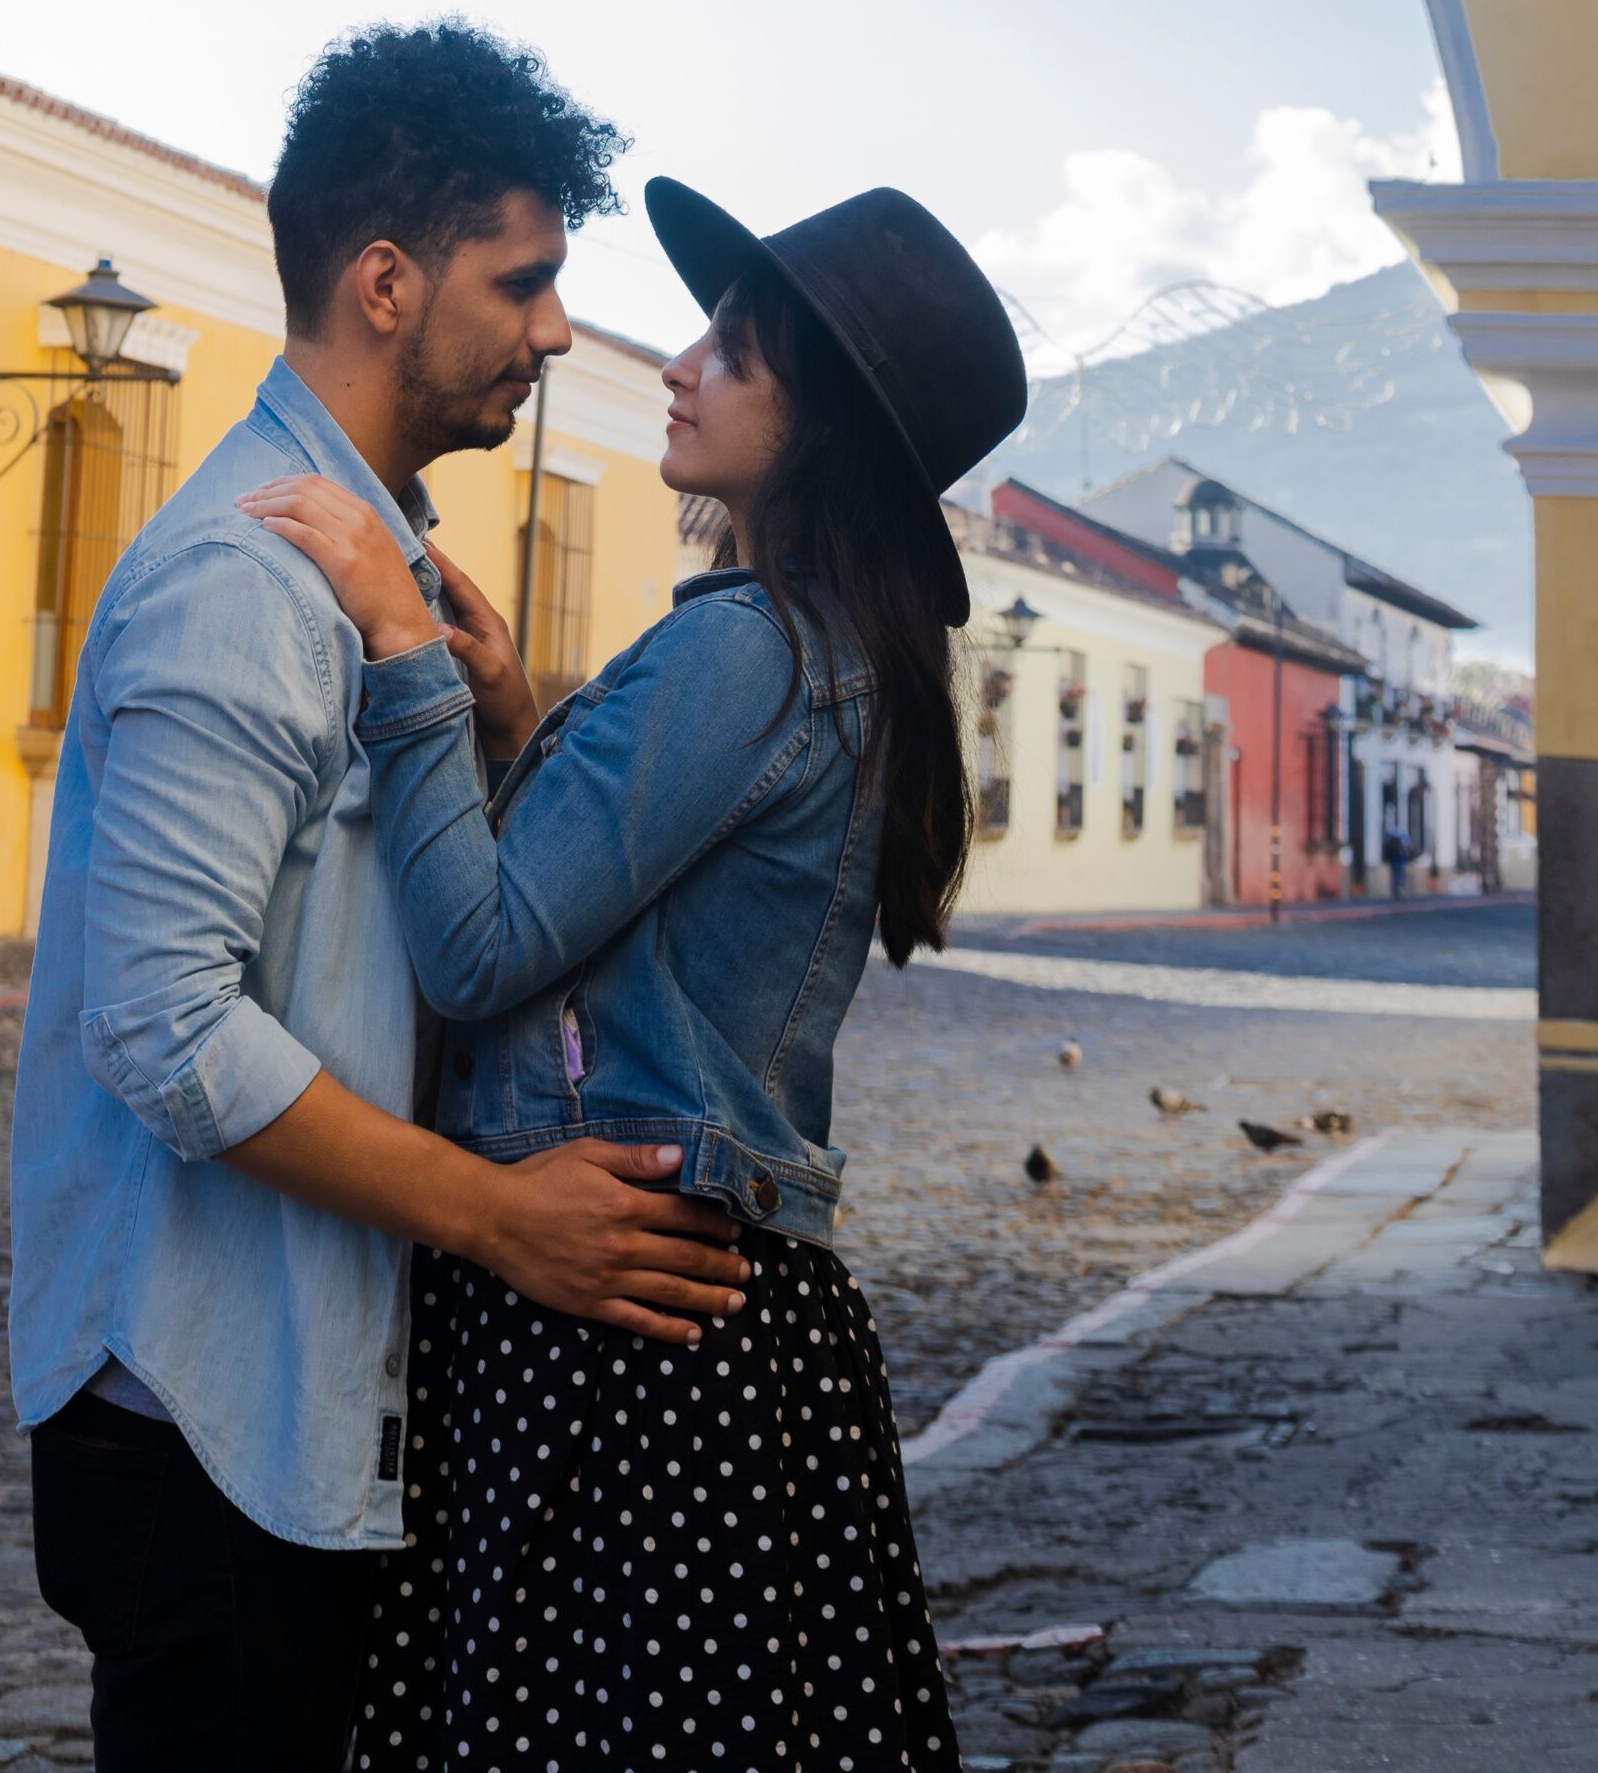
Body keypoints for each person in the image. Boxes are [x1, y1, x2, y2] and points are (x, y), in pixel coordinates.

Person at [10, 26, 753, 1773]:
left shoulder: (389, 569)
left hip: (302, 1384)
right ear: (389, 283)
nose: (561, 332)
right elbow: (166, 1030)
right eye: (531, 280)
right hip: (205, 1408)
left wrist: (497, 731)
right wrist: (500, 1219)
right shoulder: (247, 581)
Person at [242, 170, 1029, 1773]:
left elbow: (474, 956)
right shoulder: (832, 649)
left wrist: (399, 655)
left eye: (734, 352)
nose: (678, 363)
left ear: (825, 431)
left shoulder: (741, 647)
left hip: (620, 1345)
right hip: (734, 1348)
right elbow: (663, 915)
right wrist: (531, 729)